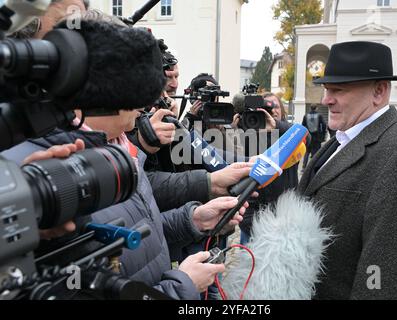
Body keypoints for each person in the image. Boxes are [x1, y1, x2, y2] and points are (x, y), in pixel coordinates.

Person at [2, 12, 248, 300]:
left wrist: (193, 220)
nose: (146, 104)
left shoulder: (116, 148)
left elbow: (135, 236)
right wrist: (182, 287)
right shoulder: (45, 176)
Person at [297, 41, 397, 299]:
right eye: (326, 89)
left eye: (338, 90)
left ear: (379, 91)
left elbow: (388, 280)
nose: (326, 100)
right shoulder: (341, 138)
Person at [239, 93, 299, 245]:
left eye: (275, 106)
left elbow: (307, 138)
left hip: (284, 214)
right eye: (265, 107)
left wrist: (276, 126)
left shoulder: (290, 132)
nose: (271, 111)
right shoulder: (249, 133)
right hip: (253, 216)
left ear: (282, 110)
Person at [302, 104, 327, 170]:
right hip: (317, 137)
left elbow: (303, 126)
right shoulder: (319, 115)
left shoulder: (306, 115)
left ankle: (304, 167)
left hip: (308, 137)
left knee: (307, 152)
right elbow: (324, 125)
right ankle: (313, 168)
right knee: (316, 153)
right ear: (316, 108)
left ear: (310, 108)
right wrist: (323, 136)